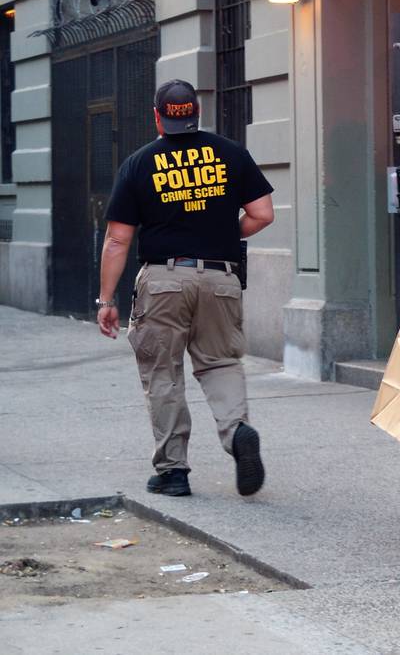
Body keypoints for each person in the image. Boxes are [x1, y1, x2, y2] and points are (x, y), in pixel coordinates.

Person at [97, 79, 275, 499]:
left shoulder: (139, 163)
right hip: (221, 277)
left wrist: (106, 300)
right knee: (220, 363)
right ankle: (237, 435)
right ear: (197, 113)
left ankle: (173, 471)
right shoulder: (230, 153)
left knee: (163, 373)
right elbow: (263, 213)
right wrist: (223, 234)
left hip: (163, 280)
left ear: (157, 116)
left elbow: (117, 240)